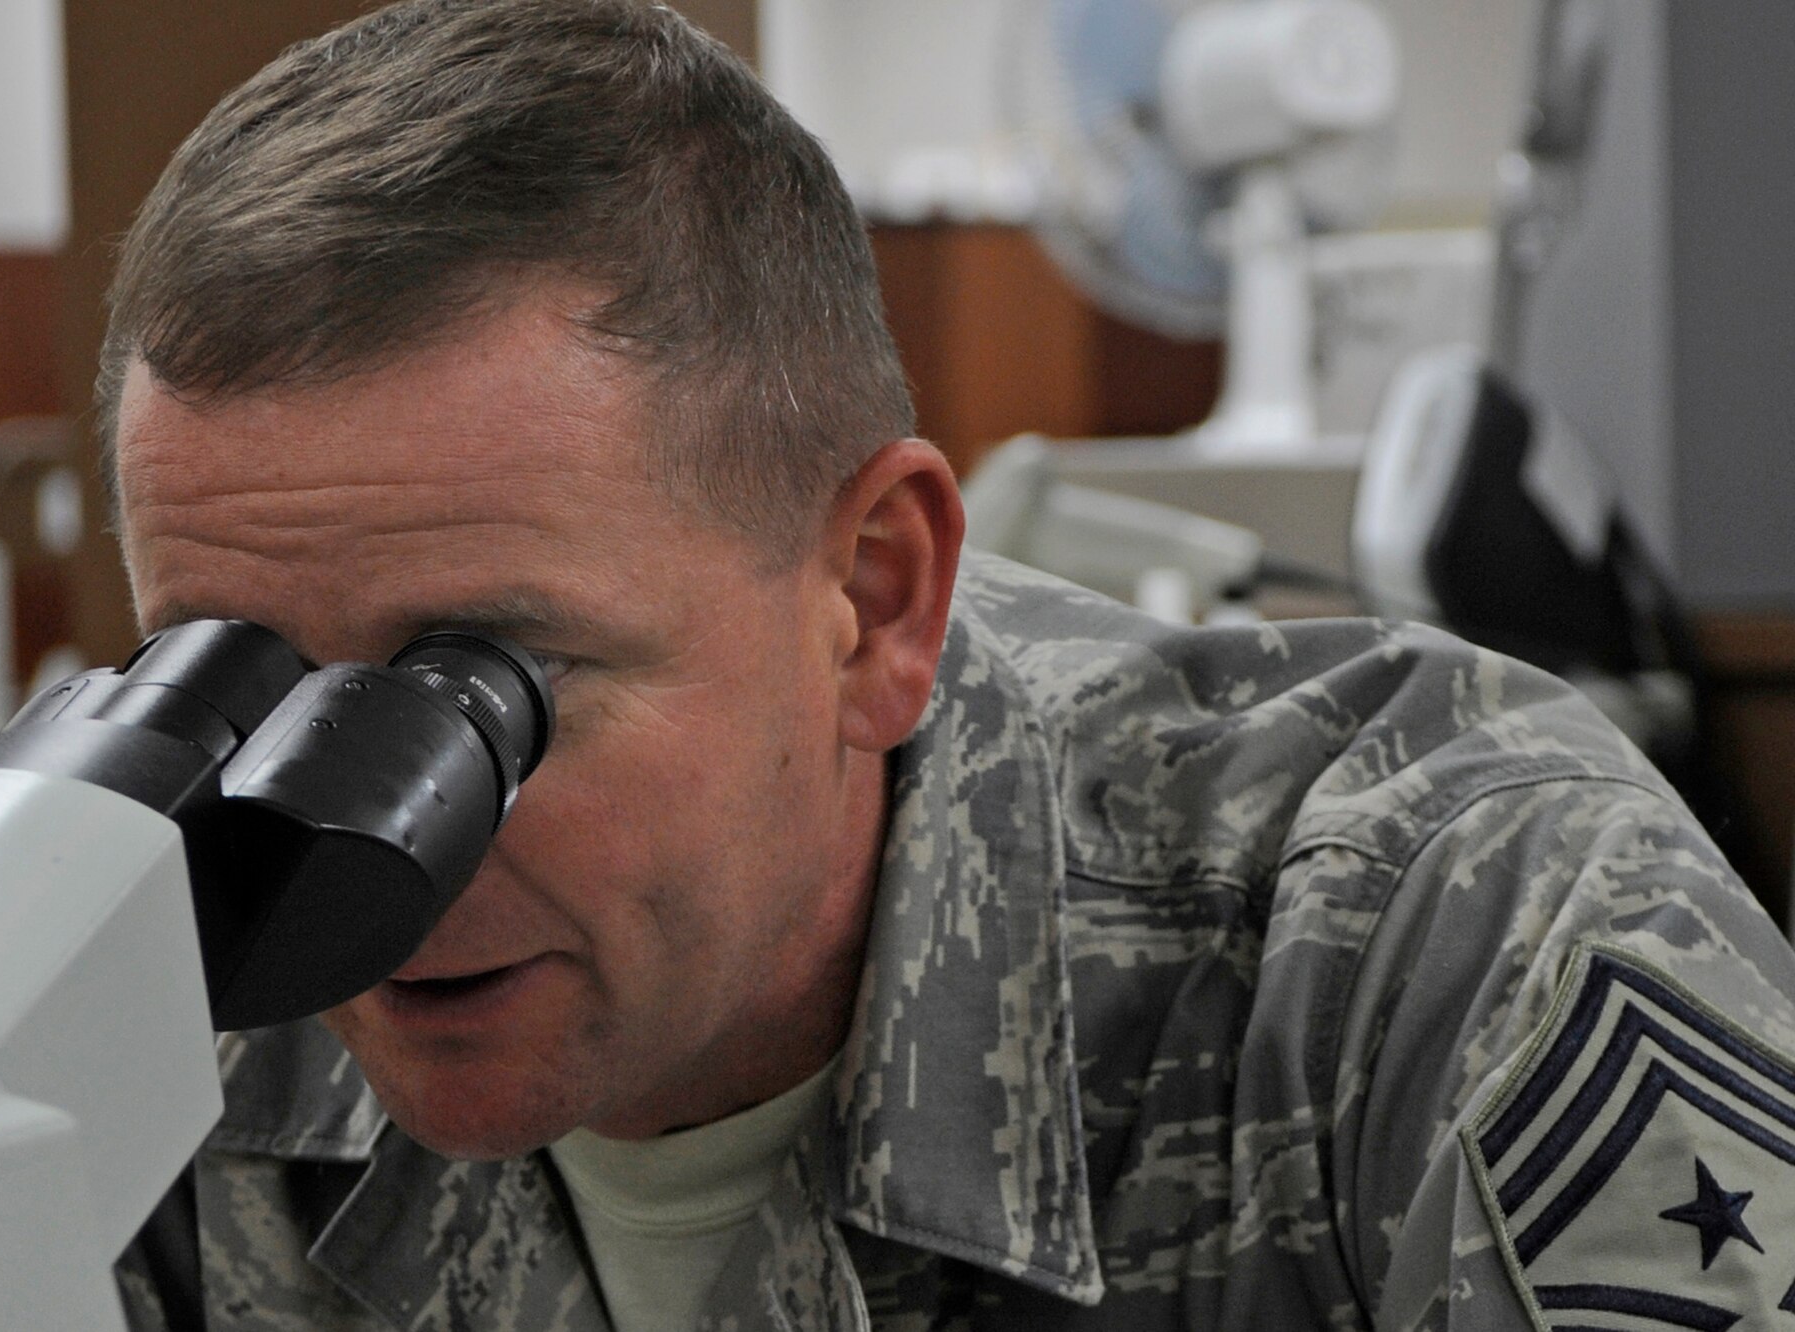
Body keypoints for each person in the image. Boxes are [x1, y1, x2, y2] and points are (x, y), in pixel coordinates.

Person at [104, 2, 1795, 1329]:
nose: (358, 848)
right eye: (245, 690)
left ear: (875, 601)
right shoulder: (188, 992)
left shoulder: (1439, 943)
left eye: (477, 688)